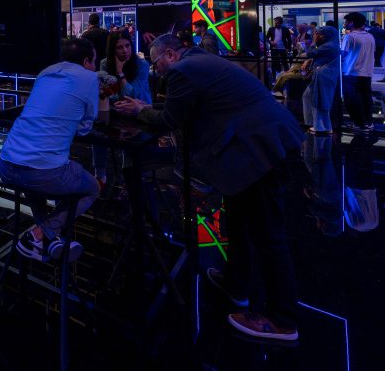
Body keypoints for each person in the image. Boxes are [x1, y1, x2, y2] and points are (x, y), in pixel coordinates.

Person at [114, 34, 302, 341]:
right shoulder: (200, 61)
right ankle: (236, 285)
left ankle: (283, 320)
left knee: (269, 237)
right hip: (257, 146)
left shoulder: (181, 70)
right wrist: (146, 107)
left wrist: (139, 111)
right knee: (238, 224)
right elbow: (184, 105)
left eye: (156, 62)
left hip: (259, 150)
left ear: (170, 55)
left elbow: (172, 118)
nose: (156, 70)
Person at [0, 37, 98, 263]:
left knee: (34, 184)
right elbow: (85, 127)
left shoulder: (45, 72)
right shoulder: (90, 78)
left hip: (6, 165)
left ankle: (50, 240)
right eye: (93, 61)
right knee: (92, 188)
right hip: (43, 173)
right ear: (86, 61)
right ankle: (37, 234)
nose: (94, 66)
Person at [93, 31, 152, 184]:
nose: (125, 50)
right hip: (117, 109)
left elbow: (133, 94)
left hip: (140, 111)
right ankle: (100, 175)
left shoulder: (142, 65)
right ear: (112, 49)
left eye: (127, 46)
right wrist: (114, 96)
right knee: (98, 134)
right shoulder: (105, 63)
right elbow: (107, 92)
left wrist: (120, 73)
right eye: (120, 47)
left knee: (130, 144)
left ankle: (129, 179)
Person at [301, 25, 341, 134]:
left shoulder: (329, 46)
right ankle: (312, 123)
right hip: (322, 76)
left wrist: (313, 42)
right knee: (308, 96)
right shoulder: (330, 44)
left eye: (319, 34)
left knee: (320, 101)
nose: (316, 36)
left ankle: (322, 127)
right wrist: (309, 60)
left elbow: (309, 53)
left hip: (324, 77)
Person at [341, 12, 376, 131]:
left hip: (352, 72)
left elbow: (342, 54)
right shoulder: (370, 36)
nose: (345, 24)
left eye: (346, 22)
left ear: (352, 23)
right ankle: (368, 122)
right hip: (367, 73)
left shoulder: (349, 37)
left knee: (352, 100)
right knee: (366, 98)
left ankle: (359, 124)